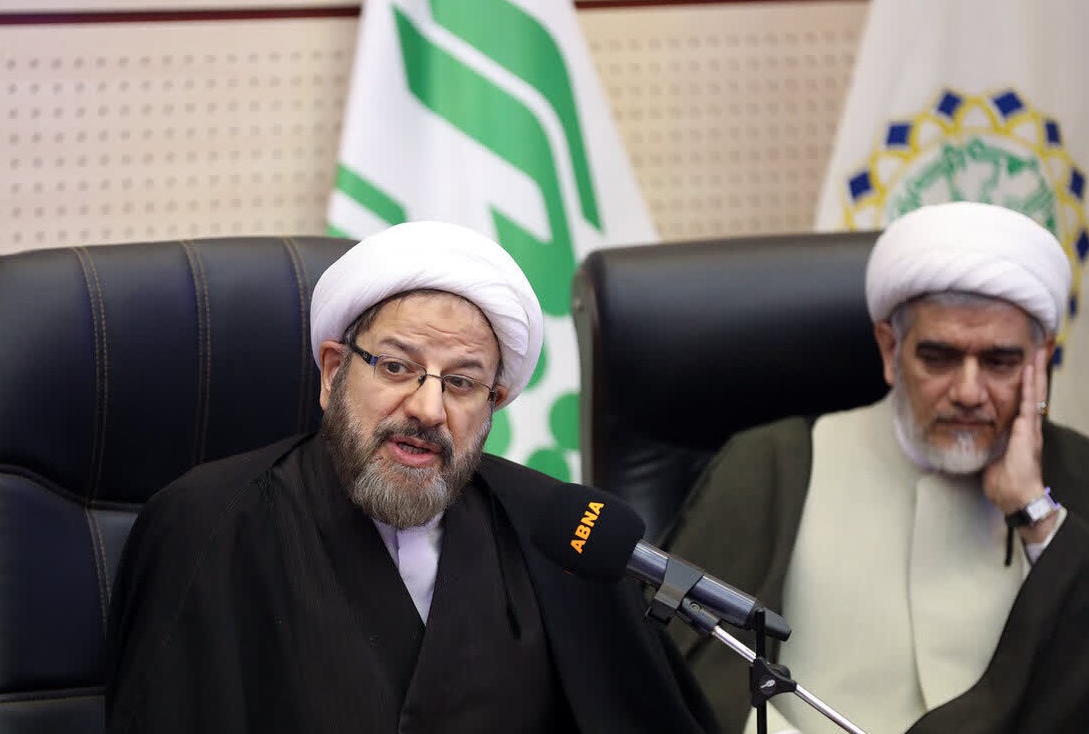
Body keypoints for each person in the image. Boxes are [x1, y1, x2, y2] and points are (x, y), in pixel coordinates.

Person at [106, 221, 718, 734]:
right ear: (334, 373)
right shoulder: (208, 525)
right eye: (397, 367)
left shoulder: (556, 534)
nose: (428, 409)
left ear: (494, 404)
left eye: (462, 383)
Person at [663, 202, 1089, 734]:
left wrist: (1034, 512)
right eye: (939, 357)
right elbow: (690, 670)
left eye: (999, 362)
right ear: (890, 349)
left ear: (1041, 359)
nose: (968, 392)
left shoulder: (1075, 474)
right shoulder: (772, 465)